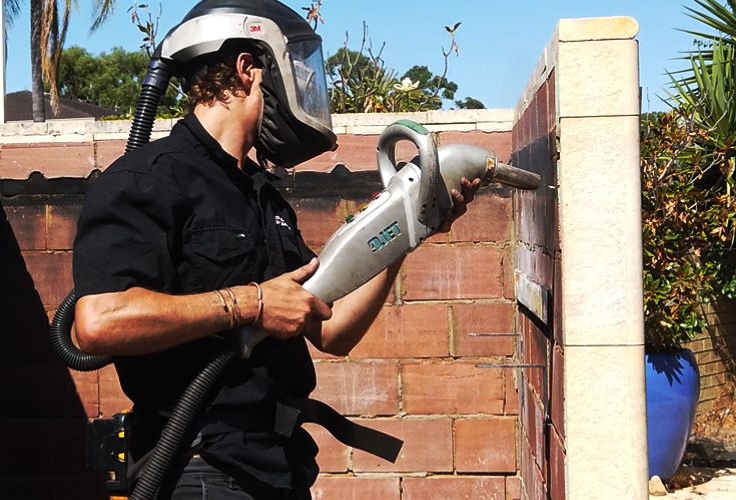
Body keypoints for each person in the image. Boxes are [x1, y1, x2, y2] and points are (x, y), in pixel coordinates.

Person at [66, 1, 478, 498]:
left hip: (279, 466)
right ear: (249, 69)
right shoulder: (146, 180)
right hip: (198, 470)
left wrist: (406, 229)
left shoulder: (263, 195)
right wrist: (252, 303)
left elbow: (332, 331)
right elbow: (97, 324)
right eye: (298, 72)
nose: (305, 88)